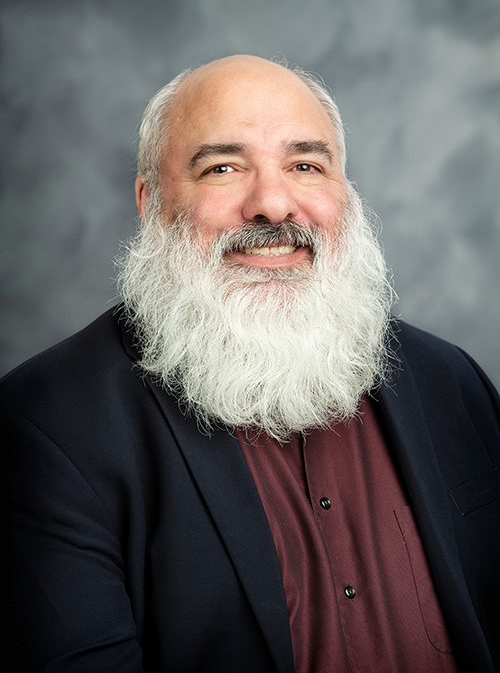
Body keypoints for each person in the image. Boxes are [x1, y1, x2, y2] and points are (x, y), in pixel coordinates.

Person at [1, 55, 499, 673]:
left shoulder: (452, 383)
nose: (272, 204)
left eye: (305, 165)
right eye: (223, 167)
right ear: (149, 201)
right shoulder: (44, 427)